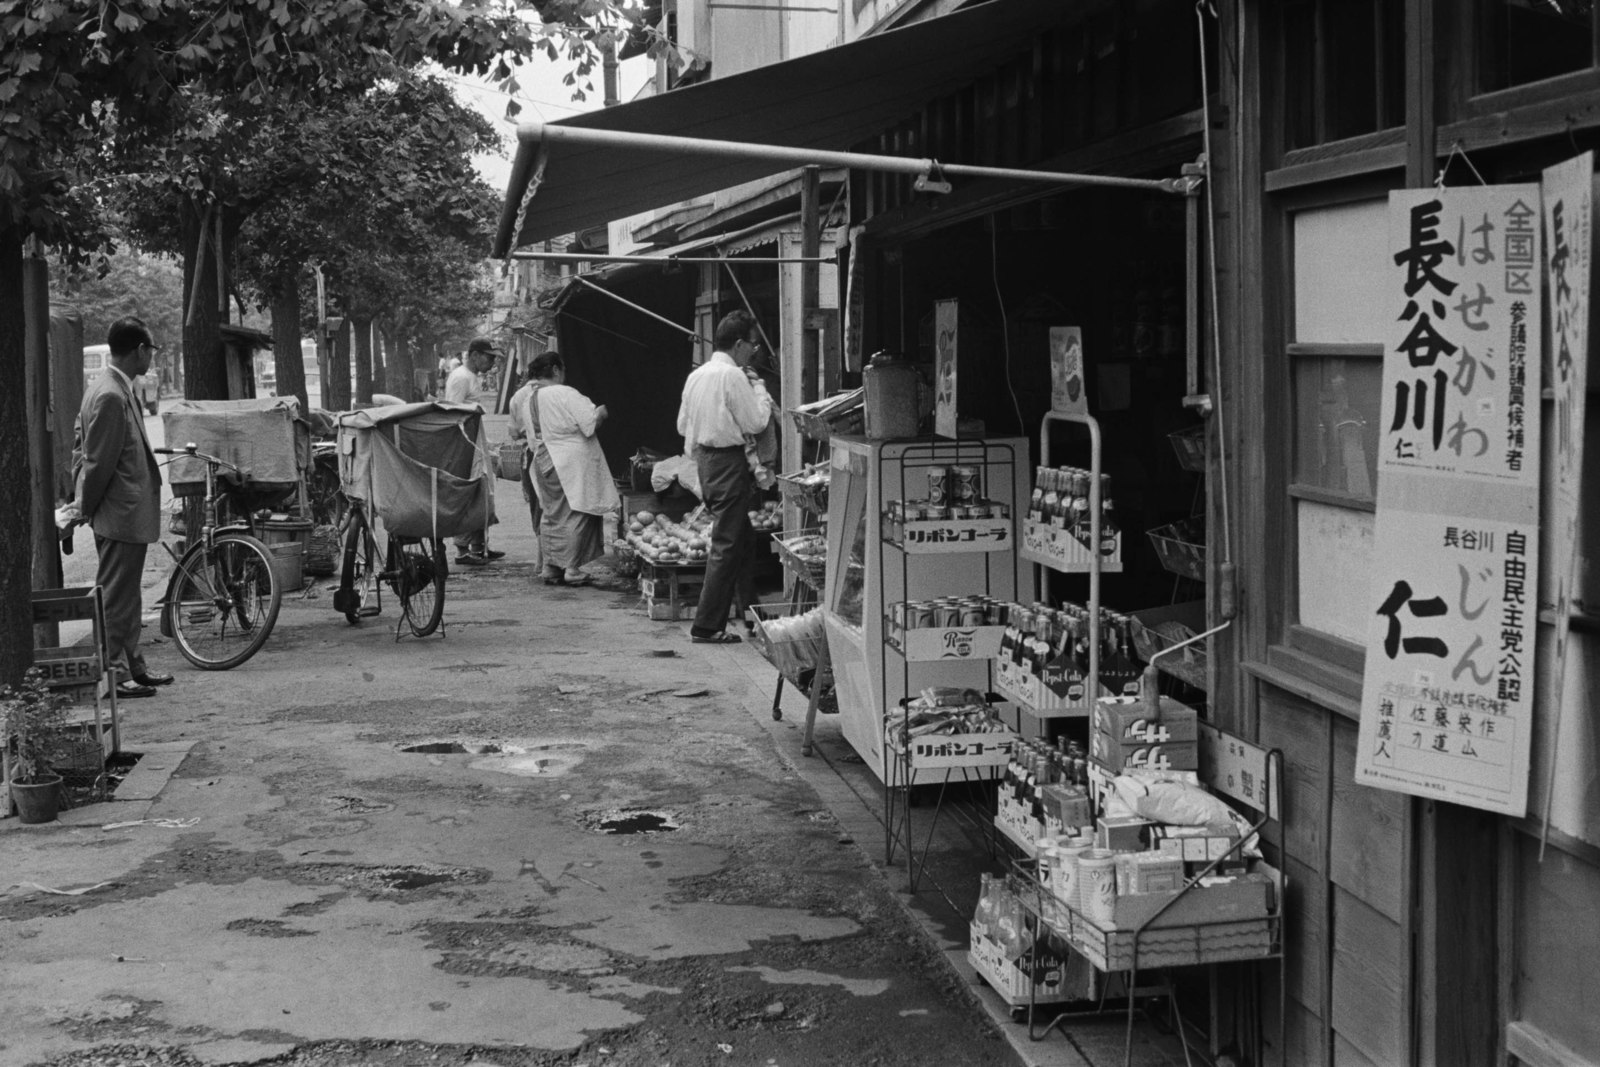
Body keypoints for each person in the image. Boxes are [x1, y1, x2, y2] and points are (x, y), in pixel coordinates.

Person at [74, 317, 169, 699]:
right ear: (139, 350)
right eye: (150, 350)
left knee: (128, 595)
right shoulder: (112, 394)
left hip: (125, 512)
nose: (152, 358)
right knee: (116, 596)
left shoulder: (115, 387)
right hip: (119, 513)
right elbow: (98, 461)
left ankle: (134, 666)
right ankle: (114, 673)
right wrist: (85, 508)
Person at [677, 310, 775, 644]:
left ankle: (751, 614)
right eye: (753, 345)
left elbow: (681, 425)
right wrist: (761, 392)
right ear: (738, 344)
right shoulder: (732, 376)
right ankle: (706, 625)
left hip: (706, 461)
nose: (754, 351)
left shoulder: (698, 375)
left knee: (742, 541)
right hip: (726, 462)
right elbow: (755, 423)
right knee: (727, 543)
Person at [514, 352, 620, 586]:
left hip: (543, 458)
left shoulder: (528, 398)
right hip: (569, 461)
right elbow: (589, 424)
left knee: (553, 513)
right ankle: (572, 568)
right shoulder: (565, 393)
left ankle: (551, 567)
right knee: (577, 512)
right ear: (554, 370)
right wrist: (601, 413)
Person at [445, 339, 504, 566]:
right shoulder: (460, 377)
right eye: (489, 357)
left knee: (482, 492)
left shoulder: (471, 378)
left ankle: (479, 546)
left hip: (475, 440)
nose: (491, 362)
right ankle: (462, 550)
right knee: (469, 494)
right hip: (465, 444)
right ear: (476, 355)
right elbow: (452, 414)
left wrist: (486, 442)